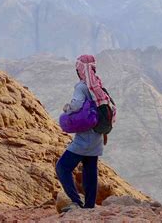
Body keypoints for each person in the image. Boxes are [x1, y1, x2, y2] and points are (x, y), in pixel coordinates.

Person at [55, 54, 111, 212]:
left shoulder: (81, 86)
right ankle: (89, 207)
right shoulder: (97, 84)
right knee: (90, 169)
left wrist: (67, 108)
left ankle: (76, 202)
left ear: (79, 70)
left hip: (84, 138)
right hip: (98, 136)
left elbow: (77, 105)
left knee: (62, 167)